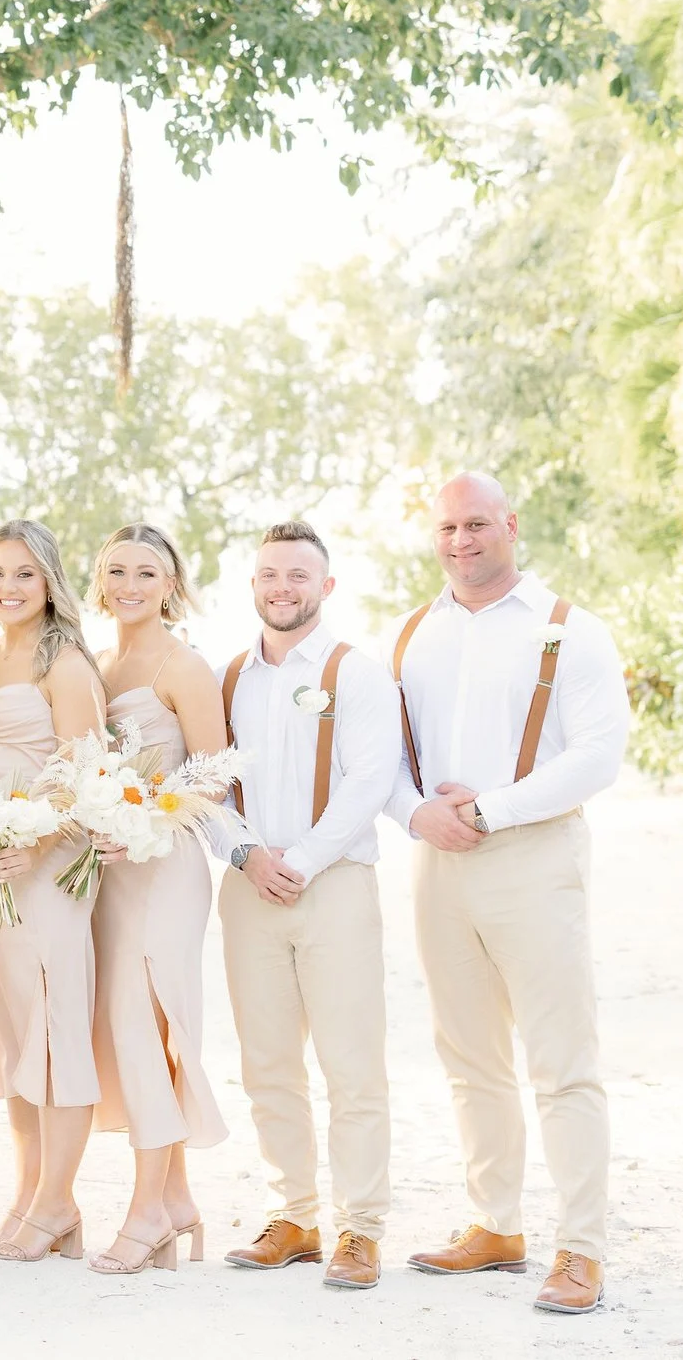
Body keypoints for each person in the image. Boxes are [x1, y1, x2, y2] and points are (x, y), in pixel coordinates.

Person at [391, 473, 628, 1315]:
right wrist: (418, 813)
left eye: (478, 523)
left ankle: (582, 1249)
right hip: (438, 864)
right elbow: (385, 751)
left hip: (533, 854)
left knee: (562, 1059)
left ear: (511, 524)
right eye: (448, 526)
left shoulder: (572, 630)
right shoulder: (412, 633)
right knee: (468, 1054)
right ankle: (496, 1223)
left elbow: (599, 754)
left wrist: (489, 807)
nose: (462, 540)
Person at [213, 520, 402, 1290]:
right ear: (252, 584)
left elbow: (370, 778)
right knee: (267, 1062)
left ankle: (360, 1227)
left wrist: (302, 859)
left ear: (325, 586)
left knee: (352, 1062)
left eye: (297, 575)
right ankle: (292, 1214)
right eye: (269, 575)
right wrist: (247, 854)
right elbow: (209, 783)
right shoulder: (228, 678)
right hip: (249, 886)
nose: (281, 588)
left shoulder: (357, 671)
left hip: (335, 884)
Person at [0, 519, 106, 1263]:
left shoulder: (65, 662)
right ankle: (28, 1193)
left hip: (42, 873)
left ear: (49, 582)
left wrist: (31, 842)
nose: (8, 588)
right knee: (13, 1037)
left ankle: (58, 1201)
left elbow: (85, 777)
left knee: (54, 1032)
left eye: (24, 574)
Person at [84, 523, 229, 1274]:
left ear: (171, 582)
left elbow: (214, 776)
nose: (130, 584)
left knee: (152, 1026)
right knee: (127, 1028)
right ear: (100, 579)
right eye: (117, 570)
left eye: (147, 571)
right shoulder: (98, 662)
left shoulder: (184, 664)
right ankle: (173, 1199)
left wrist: (146, 816)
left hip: (165, 865)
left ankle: (147, 1211)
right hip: (109, 872)